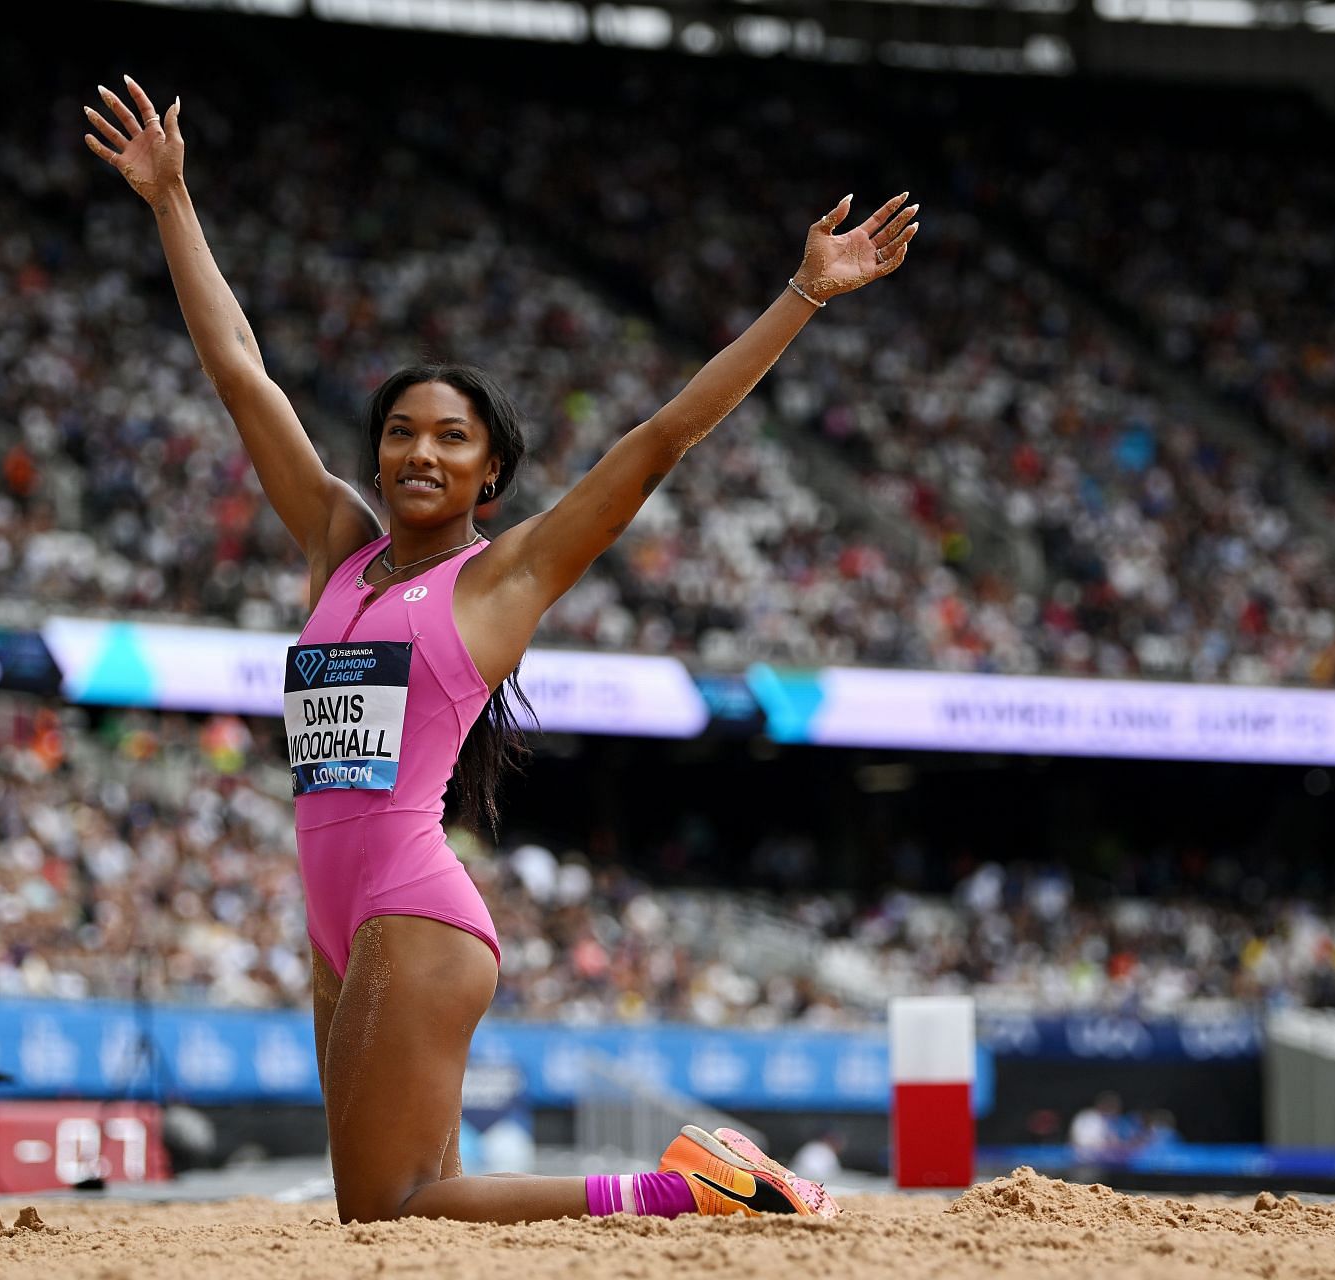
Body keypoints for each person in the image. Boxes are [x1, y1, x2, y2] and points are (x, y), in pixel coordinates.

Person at [86, 74, 916, 1224]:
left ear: (490, 473)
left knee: (391, 1205)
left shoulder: (499, 579)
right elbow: (240, 371)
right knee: (381, 1204)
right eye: (399, 432)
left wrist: (802, 295)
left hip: (409, 907)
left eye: (451, 437)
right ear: (376, 459)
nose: (419, 451)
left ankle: (692, 1187)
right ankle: (698, 1181)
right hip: (333, 914)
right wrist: (172, 200)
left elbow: (659, 440)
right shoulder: (335, 542)